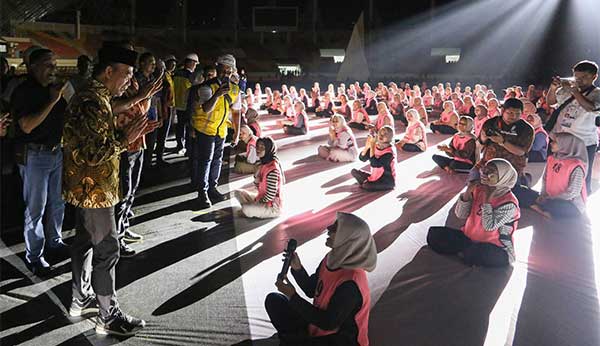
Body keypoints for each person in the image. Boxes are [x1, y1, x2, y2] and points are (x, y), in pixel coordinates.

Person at [62, 44, 155, 335]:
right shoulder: (91, 100)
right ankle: (108, 316)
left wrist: (126, 131)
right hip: (94, 190)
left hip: (87, 187)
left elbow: (98, 133)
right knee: (107, 250)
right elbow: (94, 154)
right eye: (126, 73)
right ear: (108, 71)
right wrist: (125, 138)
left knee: (84, 244)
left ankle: (80, 298)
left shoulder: (97, 97)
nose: (130, 80)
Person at [265, 212, 376, 346]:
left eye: (335, 228)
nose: (328, 228)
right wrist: (298, 268)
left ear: (348, 238)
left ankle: (295, 339)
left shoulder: (352, 281)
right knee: (274, 301)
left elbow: (328, 323)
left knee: (292, 339)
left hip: (339, 339)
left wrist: (293, 296)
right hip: (317, 326)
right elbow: (312, 289)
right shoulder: (331, 259)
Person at [10, 49, 68, 274]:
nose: (53, 69)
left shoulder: (55, 90)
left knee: (57, 202)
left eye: (55, 64)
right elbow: (27, 126)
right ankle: (34, 256)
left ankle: (55, 241)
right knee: (36, 208)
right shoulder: (25, 91)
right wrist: (53, 101)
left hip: (56, 153)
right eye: (47, 65)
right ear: (32, 66)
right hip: (34, 155)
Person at [113, 51, 163, 257]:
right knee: (123, 193)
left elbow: (141, 106)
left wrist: (145, 122)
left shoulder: (134, 82)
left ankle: (123, 227)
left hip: (137, 141)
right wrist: (143, 95)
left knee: (131, 191)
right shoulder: (117, 86)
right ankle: (116, 239)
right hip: (124, 144)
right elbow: (118, 107)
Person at [427, 159, 520, 267]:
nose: (485, 174)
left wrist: (487, 200)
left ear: (503, 177)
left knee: (474, 253)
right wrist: (468, 191)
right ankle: (466, 251)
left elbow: (488, 226)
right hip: (469, 238)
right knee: (434, 234)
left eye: (491, 172)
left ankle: (467, 252)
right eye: (485, 170)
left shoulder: (509, 203)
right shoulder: (479, 189)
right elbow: (460, 214)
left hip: (495, 246)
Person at [190, 54, 241, 209]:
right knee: (205, 161)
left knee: (217, 160)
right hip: (205, 130)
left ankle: (212, 188)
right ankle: (202, 193)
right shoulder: (206, 87)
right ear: (217, 68)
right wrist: (218, 94)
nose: (226, 74)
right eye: (223, 70)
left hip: (221, 131)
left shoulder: (235, 90)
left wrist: (237, 133)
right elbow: (206, 108)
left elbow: (236, 112)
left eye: (229, 72)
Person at [546, 60, 600, 192]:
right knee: (555, 170)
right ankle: (553, 197)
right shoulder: (566, 90)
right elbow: (551, 102)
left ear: (594, 77)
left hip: (583, 142)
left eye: (584, 77)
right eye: (577, 77)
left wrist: (576, 92)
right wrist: (553, 88)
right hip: (559, 139)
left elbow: (591, 107)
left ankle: (578, 206)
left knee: (580, 174)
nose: (579, 80)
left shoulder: (597, 93)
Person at [475, 98, 534, 195]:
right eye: (510, 113)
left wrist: (503, 142)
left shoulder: (527, 129)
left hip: (511, 166)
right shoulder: (491, 123)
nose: (513, 116)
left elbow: (521, 152)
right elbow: (480, 144)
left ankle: (524, 179)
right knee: (473, 183)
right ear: (502, 111)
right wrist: (483, 137)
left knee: (513, 194)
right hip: (489, 162)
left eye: (517, 114)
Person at [527, 133, 588, 219]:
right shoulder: (552, 158)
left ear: (566, 145)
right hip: (550, 197)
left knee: (555, 206)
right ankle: (545, 210)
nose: (551, 143)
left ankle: (543, 209)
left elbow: (572, 193)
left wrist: (550, 198)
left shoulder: (576, 165)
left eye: (555, 142)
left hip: (569, 202)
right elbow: (545, 179)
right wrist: (543, 195)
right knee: (526, 193)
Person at [234, 137, 284, 218]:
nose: (258, 149)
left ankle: (250, 209)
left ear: (268, 149)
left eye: (262, 147)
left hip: (272, 206)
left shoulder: (272, 170)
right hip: (262, 198)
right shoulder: (264, 163)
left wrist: (257, 202)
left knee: (246, 209)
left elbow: (270, 195)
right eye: (257, 146)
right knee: (238, 192)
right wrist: (256, 176)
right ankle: (253, 209)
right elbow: (258, 187)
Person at [351, 125, 396, 191]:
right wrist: (367, 146)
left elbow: (375, 164)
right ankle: (368, 182)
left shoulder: (389, 152)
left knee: (367, 186)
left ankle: (367, 183)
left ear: (389, 137)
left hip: (386, 181)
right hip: (375, 176)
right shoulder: (376, 145)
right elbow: (362, 158)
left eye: (385, 134)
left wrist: (372, 146)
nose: (381, 136)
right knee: (354, 171)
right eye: (380, 133)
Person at [173, 53, 199, 154]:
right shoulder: (192, 76)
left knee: (180, 127)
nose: (195, 66)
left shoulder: (177, 73)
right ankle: (188, 149)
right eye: (195, 64)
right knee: (189, 128)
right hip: (188, 105)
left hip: (178, 104)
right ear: (192, 63)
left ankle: (179, 146)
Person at [155, 54, 177, 165]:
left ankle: (159, 154)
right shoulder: (163, 76)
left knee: (164, 133)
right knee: (162, 134)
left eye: (174, 63)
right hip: (163, 108)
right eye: (171, 62)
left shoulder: (169, 75)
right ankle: (159, 157)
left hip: (169, 108)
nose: (173, 65)